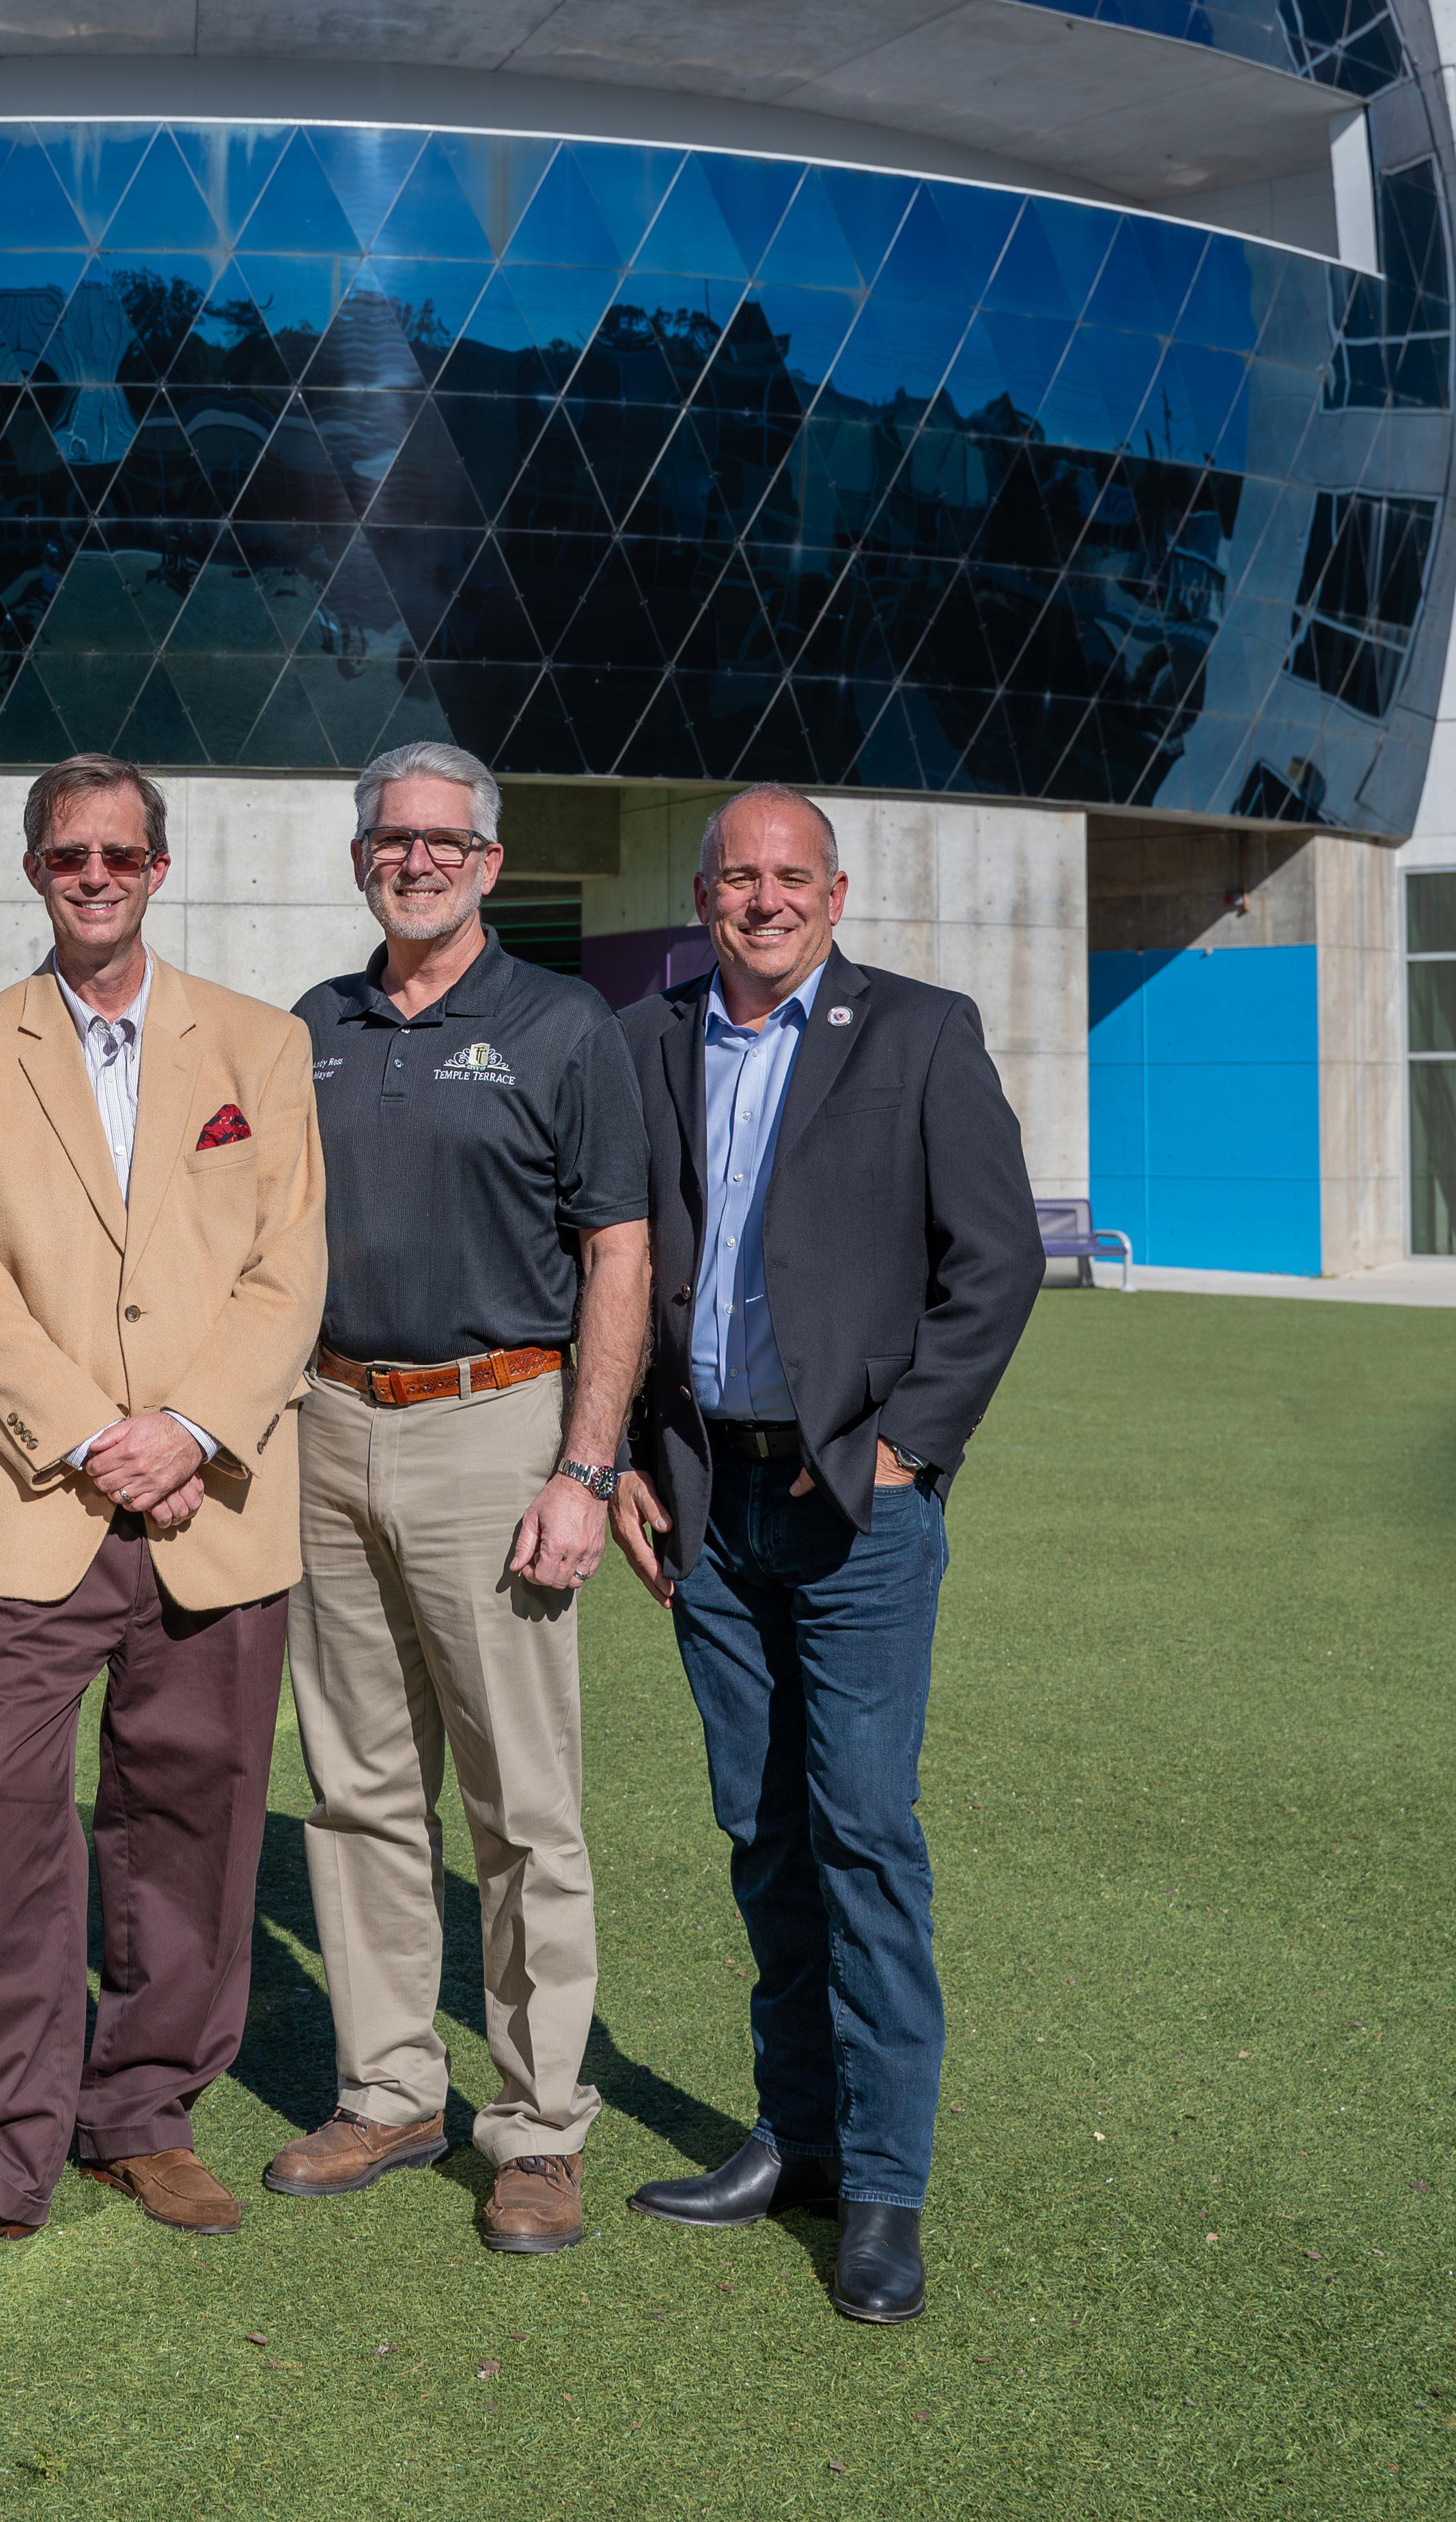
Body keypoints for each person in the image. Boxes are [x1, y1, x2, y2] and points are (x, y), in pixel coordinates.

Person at [0, 754, 325, 2284]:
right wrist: (96, 1436)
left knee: (194, 1820)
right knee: (6, 1822)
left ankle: (143, 2111)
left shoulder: (261, 1045)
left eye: (118, 855)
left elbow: (289, 1266)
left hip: (215, 1499)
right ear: (33, 869)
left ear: (157, 868)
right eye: (68, 854)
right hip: (36, 1498)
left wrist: (187, 1429)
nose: (93, 875)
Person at [611, 787, 1043, 2326]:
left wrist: (902, 1445)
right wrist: (621, 1455)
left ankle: (880, 2182)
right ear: (702, 895)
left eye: (791, 874)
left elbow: (993, 1259)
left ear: (835, 892)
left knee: (860, 1831)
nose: (765, 898)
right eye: (738, 876)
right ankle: (793, 2134)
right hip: (704, 1496)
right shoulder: (646, 1039)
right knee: (761, 1828)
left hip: (853, 1501)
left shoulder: (918, 1033)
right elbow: (613, 1259)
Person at [271, 742, 652, 2255]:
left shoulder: (561, 1024)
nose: (414, 859)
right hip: (325, 1423)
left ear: (489, 861)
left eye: (443, 840)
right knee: (358, 1791)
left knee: (520, 1806)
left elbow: (616, 1252)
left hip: (497, 1426)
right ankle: (387, 2091)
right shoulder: (314, 1023)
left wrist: (585, 1465)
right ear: (360, 857)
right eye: (390, 838)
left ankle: (539, 2125)